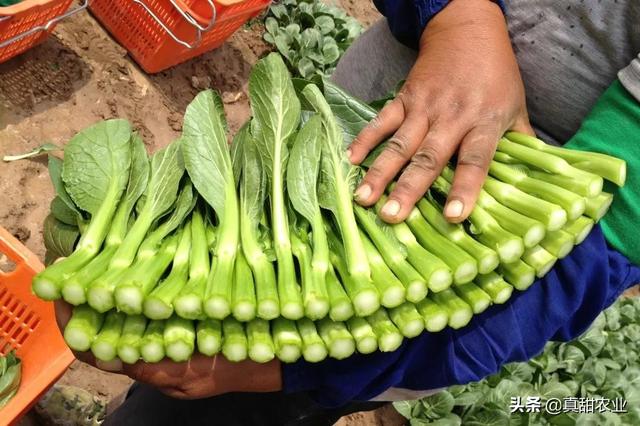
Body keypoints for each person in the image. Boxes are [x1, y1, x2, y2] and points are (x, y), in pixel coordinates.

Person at [53, 1, 640, 424]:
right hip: (319, 180)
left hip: (392, 335)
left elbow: (604, 237)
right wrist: (457, 16)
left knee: (259, 407)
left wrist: (304, 372)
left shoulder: (552, 227)